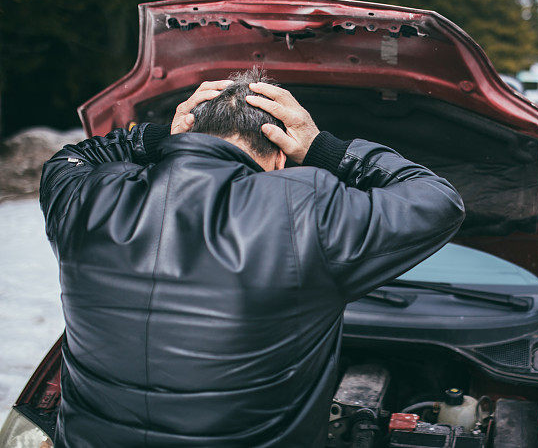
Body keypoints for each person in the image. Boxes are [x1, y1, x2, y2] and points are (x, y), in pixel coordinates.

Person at [39, 68, 465, 447]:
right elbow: (437, 201)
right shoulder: (307, 211)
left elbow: (73, 158)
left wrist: (158, 138)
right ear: (281, 156)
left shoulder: (86, 199)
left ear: (187, 133)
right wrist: (323, 148)